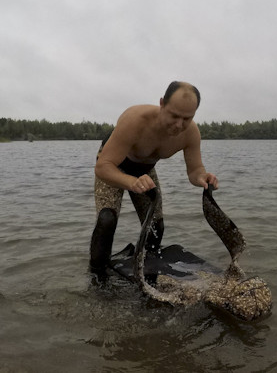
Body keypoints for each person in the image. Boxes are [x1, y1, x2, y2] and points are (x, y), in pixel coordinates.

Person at [90, 81, 218, 275]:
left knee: (156, 226)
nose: (179, 124)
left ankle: (147, 273)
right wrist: (132, 182)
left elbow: (195, 171)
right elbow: (102, 167)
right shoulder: (135, 119)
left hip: (144, 169)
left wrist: (203, 177)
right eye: (174, 116)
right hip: (113, 165)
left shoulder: (191, 133)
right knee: (107, 220)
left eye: (187, 118)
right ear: (161, 103)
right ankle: (97, 279)